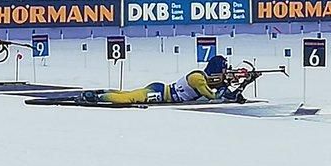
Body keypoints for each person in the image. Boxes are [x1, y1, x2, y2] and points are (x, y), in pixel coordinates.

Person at [82, 55, 243, 105]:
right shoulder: (198, 79)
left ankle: (104, 92)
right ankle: (98, 98)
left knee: (130, 93)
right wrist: (223, 88)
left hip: (162, 89)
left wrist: (235, 90)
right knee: (130, 98)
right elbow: (213, 98)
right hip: (161, 93)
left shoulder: (203, 78)